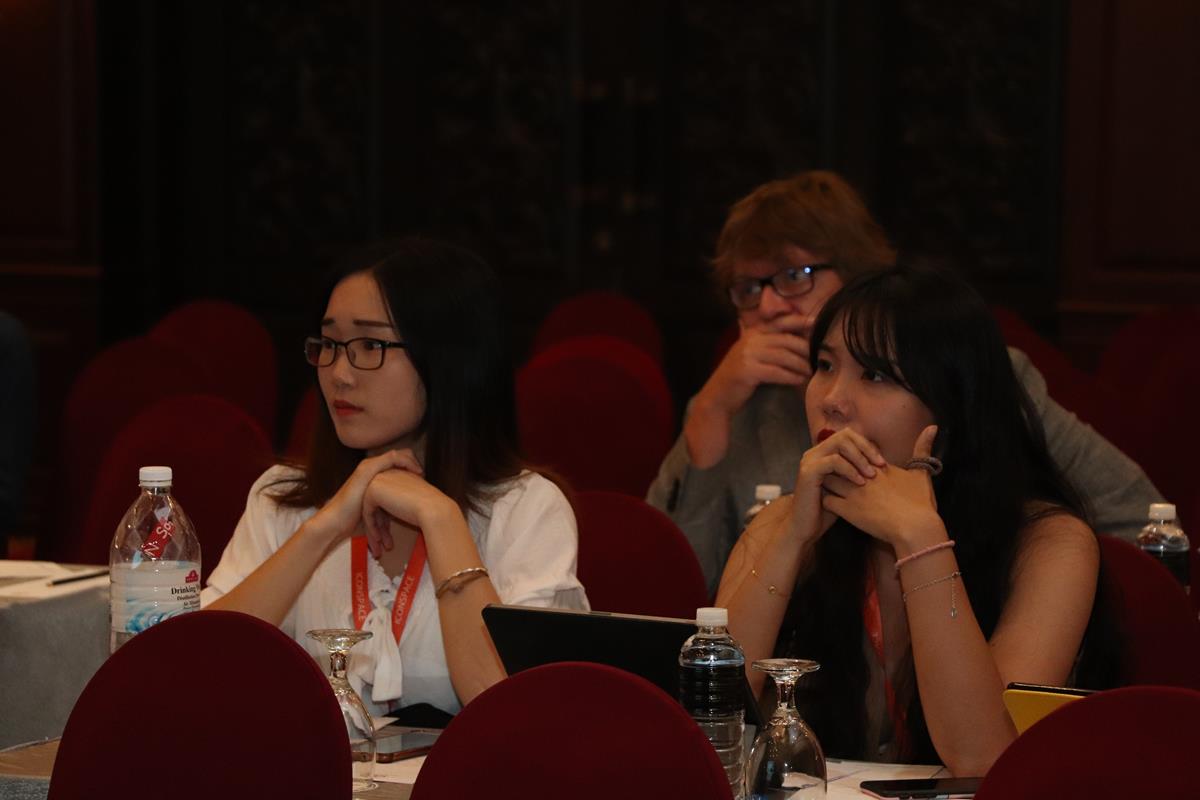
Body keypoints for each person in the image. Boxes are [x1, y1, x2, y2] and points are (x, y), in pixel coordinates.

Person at [646, 170, 1161, 594]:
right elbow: (686, 602)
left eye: (793, 277)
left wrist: (1052, 602)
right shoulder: (734, 403)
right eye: (747, 288)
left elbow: (1143, 522)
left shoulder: (971, 374)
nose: (768, 306)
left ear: (859, 278)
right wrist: (708, 416)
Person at [718, 265, 1118, 775]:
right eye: (824, 365)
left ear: (951, 405)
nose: (832, 400)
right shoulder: (783, 523)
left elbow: (984, 757)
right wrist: (791, 540)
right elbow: (707, 717)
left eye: (875, 375)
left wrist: (920, 538)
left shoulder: (1052, 544)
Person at [201, 237, 589, 723]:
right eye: (329, 345)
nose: (339, 374)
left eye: (371, 345)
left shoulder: (526, 510)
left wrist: (440, 517)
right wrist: (324, 528)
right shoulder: (281, 498)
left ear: (449, 359)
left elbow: (517, 713)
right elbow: (196, 668)